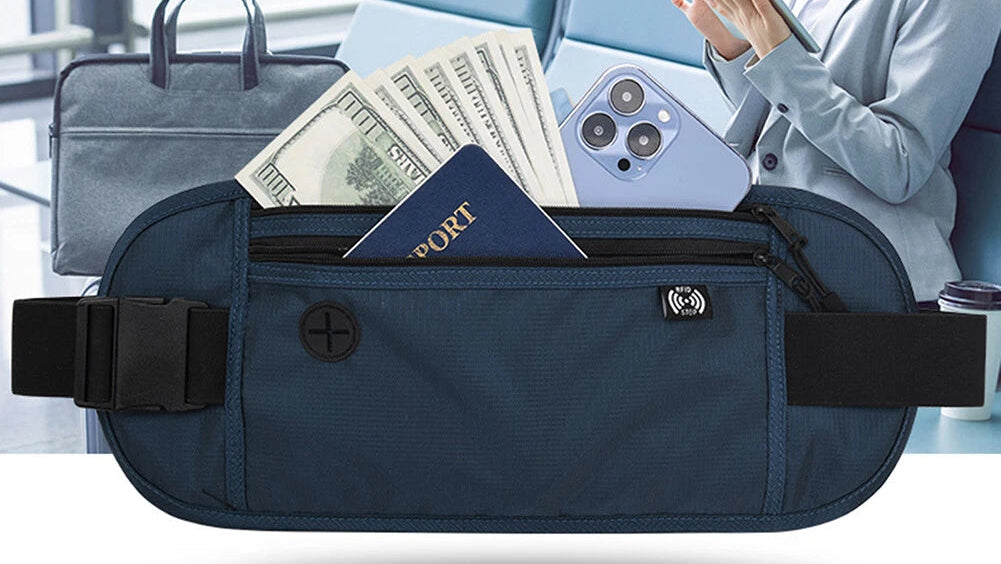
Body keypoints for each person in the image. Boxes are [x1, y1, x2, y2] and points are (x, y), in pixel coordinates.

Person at [671, 0, 1001, 301]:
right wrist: (727, 40)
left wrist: (777, 54)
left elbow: (901, 165)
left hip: (874, 288)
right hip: (778, 266)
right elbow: (785, 117)